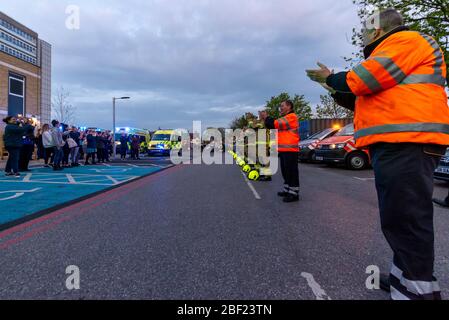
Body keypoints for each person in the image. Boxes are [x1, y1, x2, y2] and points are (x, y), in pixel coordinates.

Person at [306, 8, 449, 300]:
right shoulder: (393, 54)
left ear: (378, 30)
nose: (363, 35)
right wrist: (330, 86)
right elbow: (362, 99)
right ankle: (403, 279)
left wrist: (332, 76)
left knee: (407, 220)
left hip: (407, 141)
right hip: (401, 143)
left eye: (366, 29)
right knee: (399, 219)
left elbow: (361, 81)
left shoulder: (406, 40)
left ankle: (418, 293)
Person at [261, 100, 300, 202]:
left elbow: (274, 124)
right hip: (284, 149)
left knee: (291, 172)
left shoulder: (291, 117)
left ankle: (294, 193)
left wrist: (266, 117)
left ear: (289, 106)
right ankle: (287, 189)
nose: (280, 108)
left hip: (290, 150)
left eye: (282, 106)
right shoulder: (286, 118)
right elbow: (272, 126)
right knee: (285, 171)